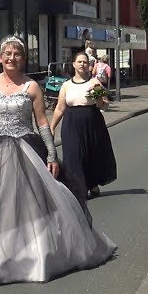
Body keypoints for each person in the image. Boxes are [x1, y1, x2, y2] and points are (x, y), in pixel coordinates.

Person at [0, 36, 115, 284]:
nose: (11, 57)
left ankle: (27, 256)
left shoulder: (31, 87)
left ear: (23, 59)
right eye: (7, 53)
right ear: (0, 58)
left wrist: (51, 153)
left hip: (25, 150)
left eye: (16, 54)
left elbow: (43, 123)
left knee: (27, 205)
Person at [51, 52, 117, 202]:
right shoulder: (66, 85)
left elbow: (104, 105)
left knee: (91, 154)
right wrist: (52, 126)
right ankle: (77, 188)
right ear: (73, 64)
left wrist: (98, 96)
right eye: (79, 62)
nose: (82, 64)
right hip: (72, 123)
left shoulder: (94, 82)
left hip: (92, 121)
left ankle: (92, 183)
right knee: (73, 155)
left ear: (89, 65)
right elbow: (60, 108)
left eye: (85, 62)